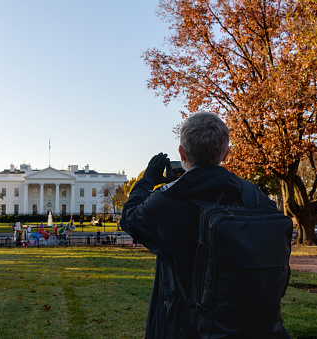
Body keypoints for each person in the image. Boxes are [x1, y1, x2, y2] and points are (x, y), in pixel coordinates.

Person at [121, 112, 289, 338]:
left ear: (182, 152)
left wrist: (147, 180)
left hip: (183, 322)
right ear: (226, 154)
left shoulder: (166, 202)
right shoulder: (252, 195)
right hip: (247, 323)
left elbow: (129, 219)